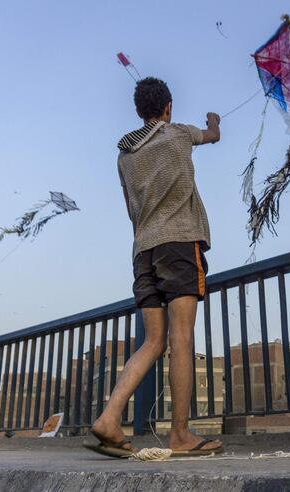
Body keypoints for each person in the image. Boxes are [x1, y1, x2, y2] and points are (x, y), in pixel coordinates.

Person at [88, 77, 223, 458]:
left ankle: (110, 418)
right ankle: (180, 435)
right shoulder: (178, 134)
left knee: (152, 341)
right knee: (181, 338)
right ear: (168, 107)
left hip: (143, 249)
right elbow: (211, 136)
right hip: (179, 243)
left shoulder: (125, 154)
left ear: (138, 110)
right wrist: (214, 120)